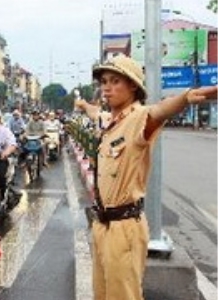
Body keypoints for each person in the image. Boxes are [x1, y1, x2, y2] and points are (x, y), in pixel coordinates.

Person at [74, 54, 217, 300]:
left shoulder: (138, 118)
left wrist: (184, 98)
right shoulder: (110, 121)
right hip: (102, 225)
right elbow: (96, 112)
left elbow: (159, 111)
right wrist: (83, 105)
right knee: (101, 294)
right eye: (104, 81)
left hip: (124, 228)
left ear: (133, 86)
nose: (107, 87)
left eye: (115, 81)